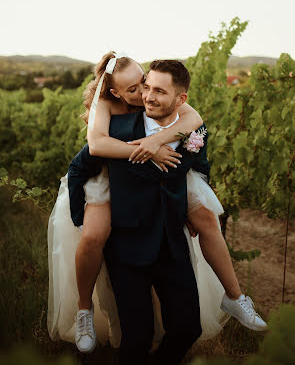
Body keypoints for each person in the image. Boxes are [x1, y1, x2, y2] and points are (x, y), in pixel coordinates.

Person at [47, 54, 266, 356]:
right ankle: (84, 309)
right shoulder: (112, 115)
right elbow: (91, 152)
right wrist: (148, 151)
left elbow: (195, 130)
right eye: (137, 89)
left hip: (166, 226)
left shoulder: (188, 126)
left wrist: (159, 142)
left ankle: (234, 295)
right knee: (93, 236)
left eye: (147, 84)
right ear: (116, 93)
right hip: (109, 184)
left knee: (206, 218)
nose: (144, 94)